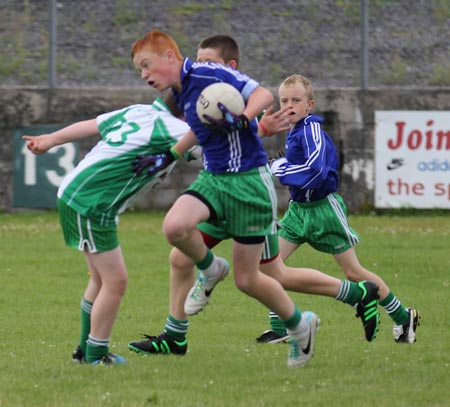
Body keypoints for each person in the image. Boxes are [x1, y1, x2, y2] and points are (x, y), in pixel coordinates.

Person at [127, 30, 380, 367]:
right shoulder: (182, 92)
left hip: (248, 186)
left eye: (147, 65)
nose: (144, 74)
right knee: (177, 239)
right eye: (139, 69)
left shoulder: (211, 77)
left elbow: (260, 96)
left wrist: (245, 121)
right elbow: (203, 131)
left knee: (257, 278)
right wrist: (169, 156)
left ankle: (320, 313)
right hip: (216, 182)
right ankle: (179, 329)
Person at [22, 98, 197, 365]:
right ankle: (95, 355)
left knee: (101, 279)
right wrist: (258, 127)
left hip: (79, 195)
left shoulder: (140, 111)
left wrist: (51, 140)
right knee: (116, 282)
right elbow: (212, 137)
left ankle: (84, 350)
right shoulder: (172, 126)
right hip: (93, 203)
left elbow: (91, 125)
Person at [267, 74, 420, 344]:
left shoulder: (312, 130)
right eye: (284, 100)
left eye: (296, 100)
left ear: (310, 105)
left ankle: (403, 317)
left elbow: (316, 170)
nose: (289, 105)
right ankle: (280, 328)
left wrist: (282, 170)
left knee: (354, 273)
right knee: (270, 265)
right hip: (297, 211)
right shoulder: (293, 131)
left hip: (323, 211)